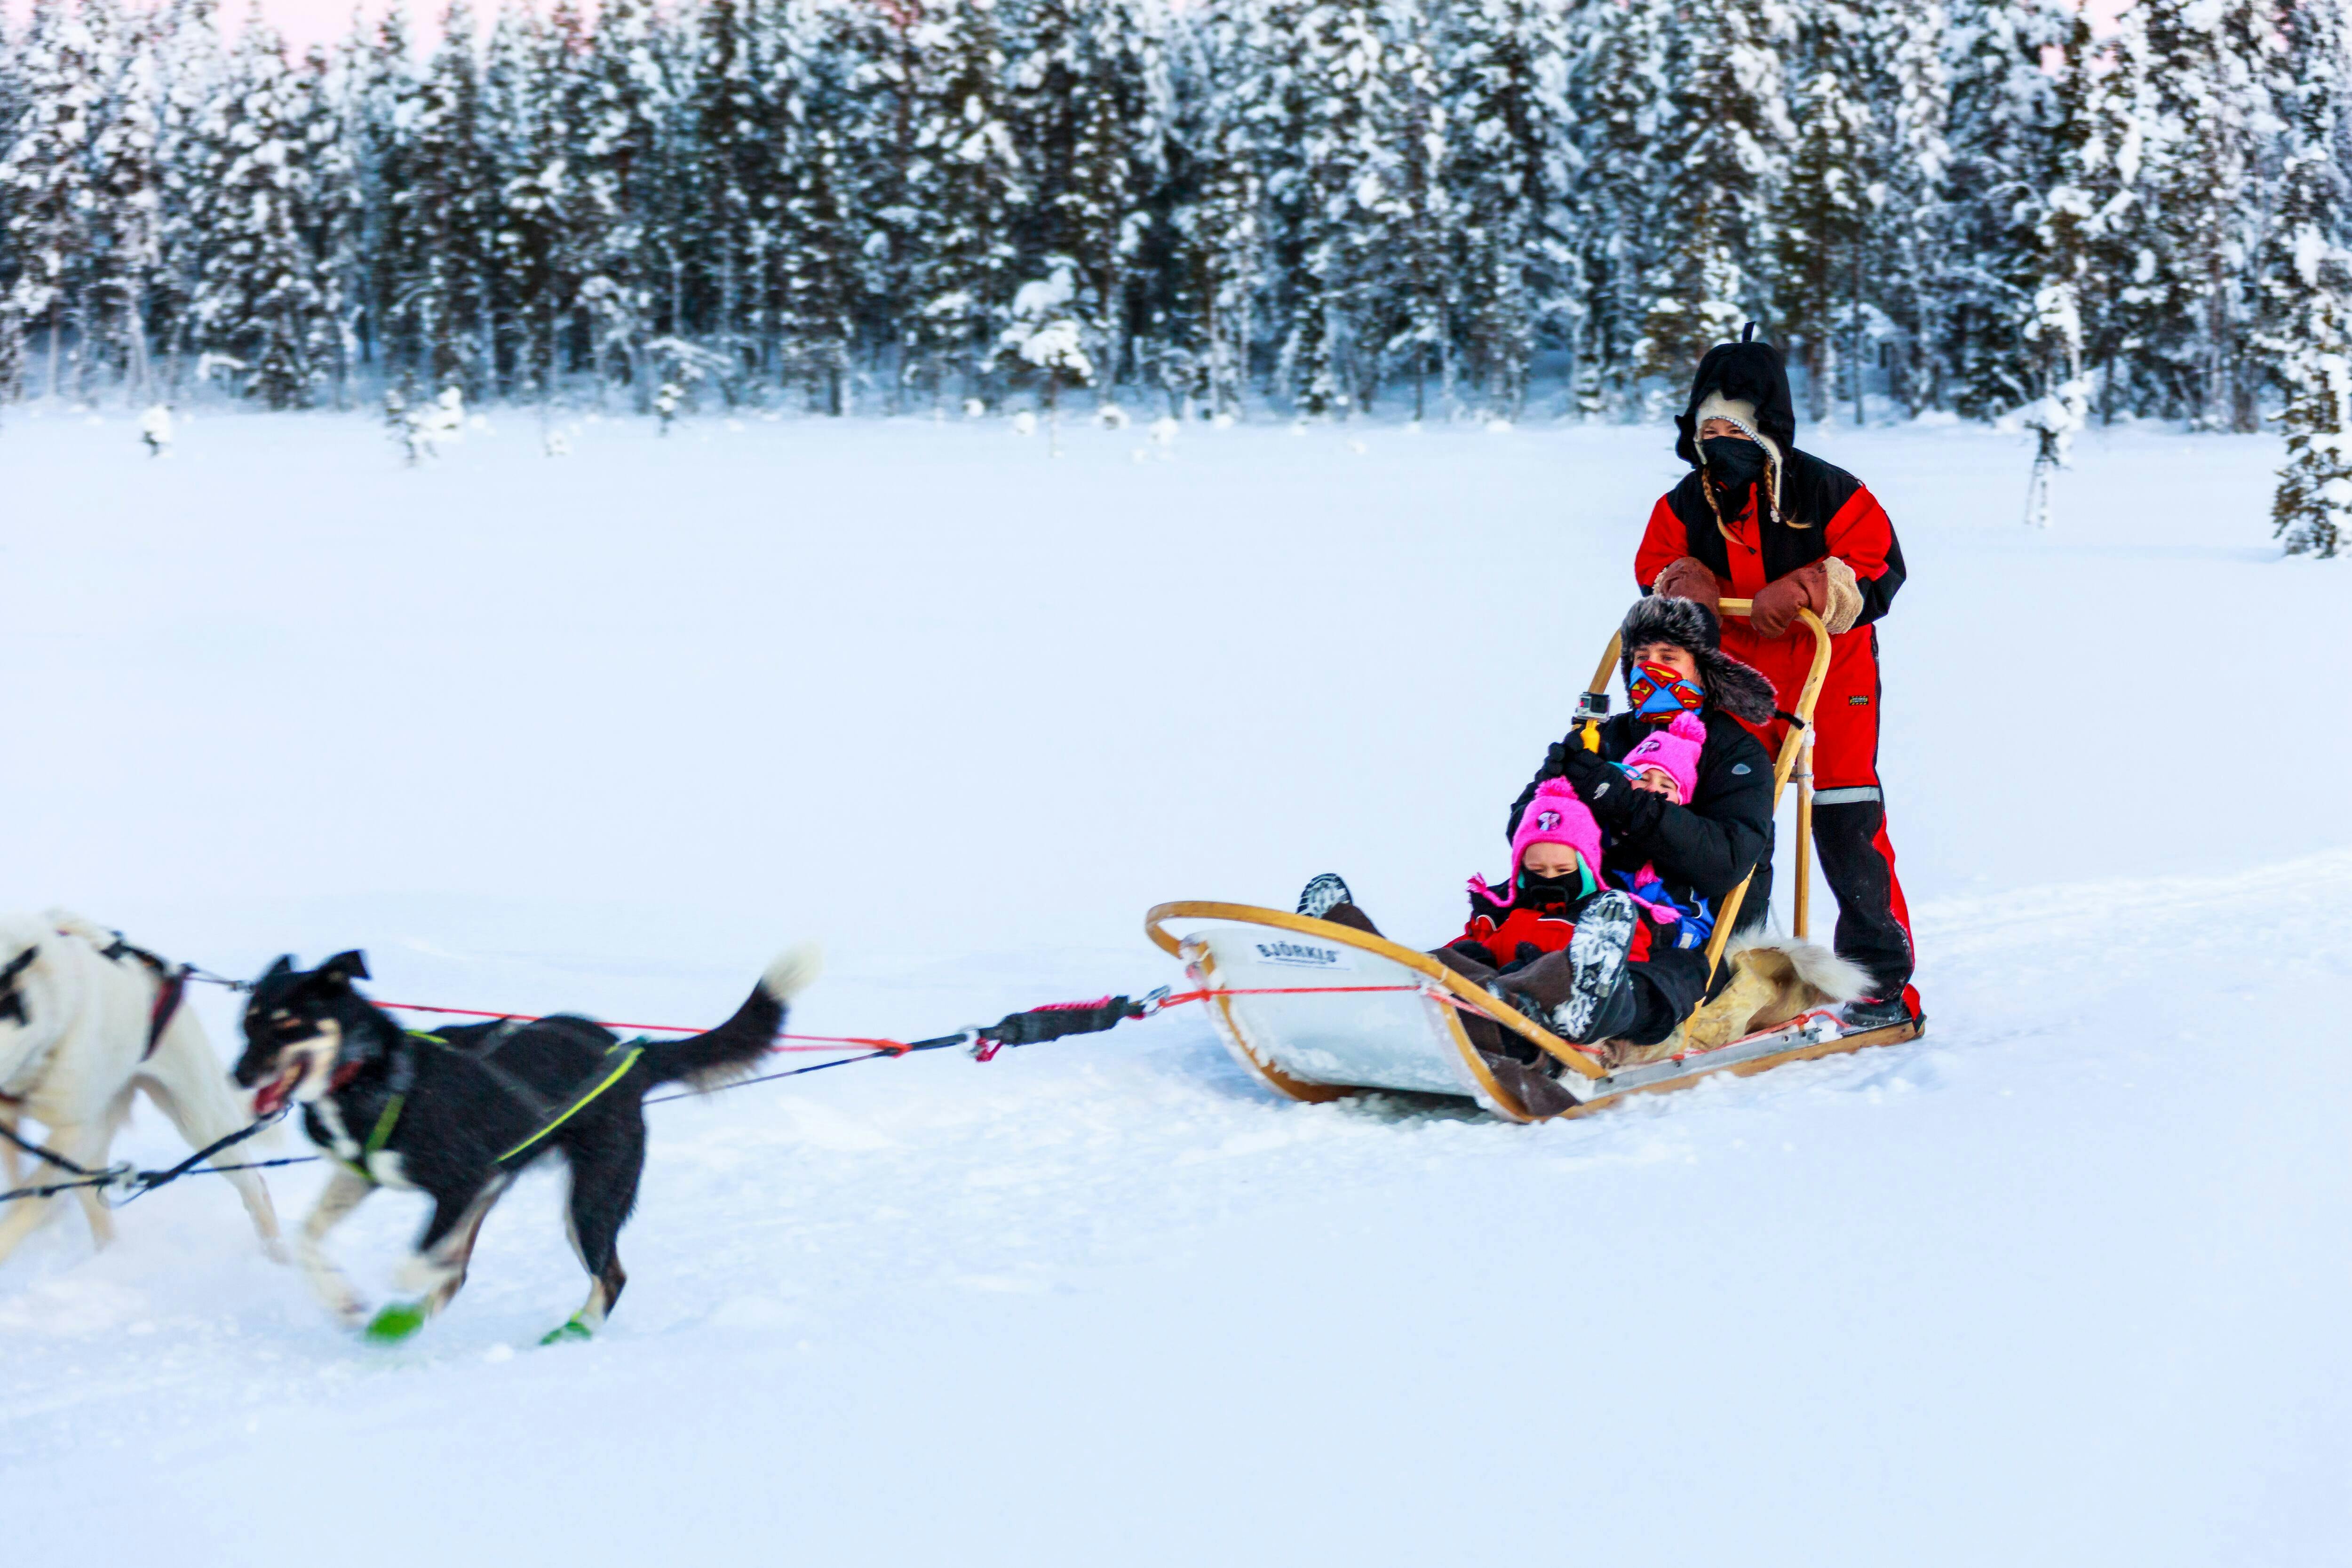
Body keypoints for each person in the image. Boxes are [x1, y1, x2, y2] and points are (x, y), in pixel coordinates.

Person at [1293, 596, 1778, 1114]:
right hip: (1571, 900)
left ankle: (1550, 1007)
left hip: (1675, 928)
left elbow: (1726, 861)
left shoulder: (1735, 754)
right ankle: (1374, 962)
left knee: (1657, 978)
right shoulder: (1602, 737)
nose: (1651, 669)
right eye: (1640, 657)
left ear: (1701, 668)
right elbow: (1520, 830)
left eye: (1668, 655)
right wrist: (1550, 793)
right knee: (1498, 942)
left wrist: (1614, 796)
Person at [1633, 328, 1920, 1028]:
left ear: (1767, 430)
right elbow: (1654, 561)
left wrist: (1811, 584)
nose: (1718, 440)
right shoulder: (1685, 502)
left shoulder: (1829, 490)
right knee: (1735, 820)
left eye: (1734, 426)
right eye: (1707, 427)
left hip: (1831, 670)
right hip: (1736, 677)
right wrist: (1682, 578)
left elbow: (1879, 564)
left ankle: (1881, 983)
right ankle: (1730, 974)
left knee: (1847, 820)